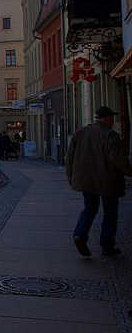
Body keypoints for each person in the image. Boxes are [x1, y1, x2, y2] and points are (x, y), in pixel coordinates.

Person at [66, 106, 132, 258]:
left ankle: (80, 235)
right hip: (108, 180)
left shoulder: (80, 132)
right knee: (110, 213)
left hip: (85, 180)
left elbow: (69, 156)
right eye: (111, 118)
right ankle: (107, 246)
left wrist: (69, 174)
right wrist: (129, 171)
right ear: (106, 119)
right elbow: (119, 160)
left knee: (89, 209)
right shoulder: (111, 135)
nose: (112, 121)